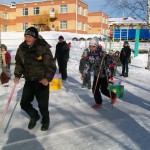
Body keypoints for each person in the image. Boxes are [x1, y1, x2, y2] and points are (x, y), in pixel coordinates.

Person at [14, 27, 56, 131]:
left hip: (42, 81)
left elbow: (51, 66)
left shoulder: (42, 48)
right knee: (24, 103)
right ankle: (34, 116)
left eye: (29, 37)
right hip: (29, 80)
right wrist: (17, 75)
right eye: (26, 36)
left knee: (43, 106)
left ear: (35, 37)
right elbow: (19, 63)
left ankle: (46, 121)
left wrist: (47, 78)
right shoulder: (22, 48)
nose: (27, 39)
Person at [87, 37, 117, 109]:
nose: (91, 48)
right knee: (94, 89)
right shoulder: (90, 54)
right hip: (96, 74)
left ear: (96, 46)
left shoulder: (102, 53)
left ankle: (113, 96)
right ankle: (98, 102)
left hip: (104, 74)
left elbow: (112, 61)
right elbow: (89, 65)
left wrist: (106, 57)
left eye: (93, 46)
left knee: (103, 90)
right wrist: (84, 74)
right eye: (90, 46)